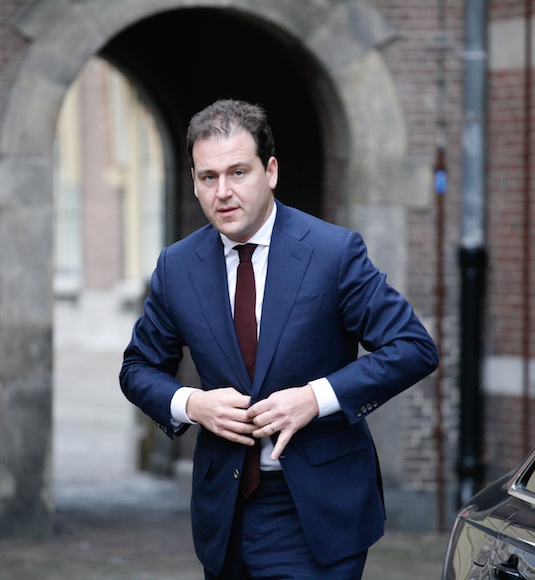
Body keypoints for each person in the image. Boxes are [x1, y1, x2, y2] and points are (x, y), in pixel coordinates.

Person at [120, 99, 438, 579]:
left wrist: (316, 397)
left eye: (238, 172)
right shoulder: (177, 266)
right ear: (194, 182)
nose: (223, 192)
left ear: (270, 171)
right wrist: (192, 404)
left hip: (318, 511)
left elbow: (413, 348)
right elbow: (137, 369)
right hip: (225, 514)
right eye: (209, 177)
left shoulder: (333, 253)